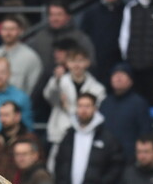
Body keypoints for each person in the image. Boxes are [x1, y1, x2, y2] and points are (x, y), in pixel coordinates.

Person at [42, 42, 106, 171]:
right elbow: (49, 96)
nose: (77, 65)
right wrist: (57, 80)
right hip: (61, 134)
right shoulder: (59, 81)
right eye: (72, 60)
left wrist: (70, 109)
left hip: (86, 135)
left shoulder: (97, 88)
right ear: (67, 63)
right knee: (55, 169)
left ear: (87, 63)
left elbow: (94, 113)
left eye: (81, 60)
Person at [0, 14, 42, 96]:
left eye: (12, 29)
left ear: (20, 31)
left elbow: (33, 88)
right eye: (4, 29)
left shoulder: (30, 57)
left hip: (17, 106)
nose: (8, 33)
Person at [99, 63, 151, 164]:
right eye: (115, 75)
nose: (118, 77)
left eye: (123, 74)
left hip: (129, 160)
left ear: (131, 81)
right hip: (106, 159)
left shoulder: (139, 103)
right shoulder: (105, 103)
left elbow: (145, 133)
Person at [25, 0, 96, 74]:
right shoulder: (39, 37)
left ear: (68, 17)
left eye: (59, 14)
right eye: (51, 14)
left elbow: (91, 64)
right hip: (43, 82)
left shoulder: (80, 38)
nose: (55, 18)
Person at [80, 0, 124, 87]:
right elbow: (83, 39)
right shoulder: (91, 12)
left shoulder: (126, 11)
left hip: (120, 65)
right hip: (97, 66)